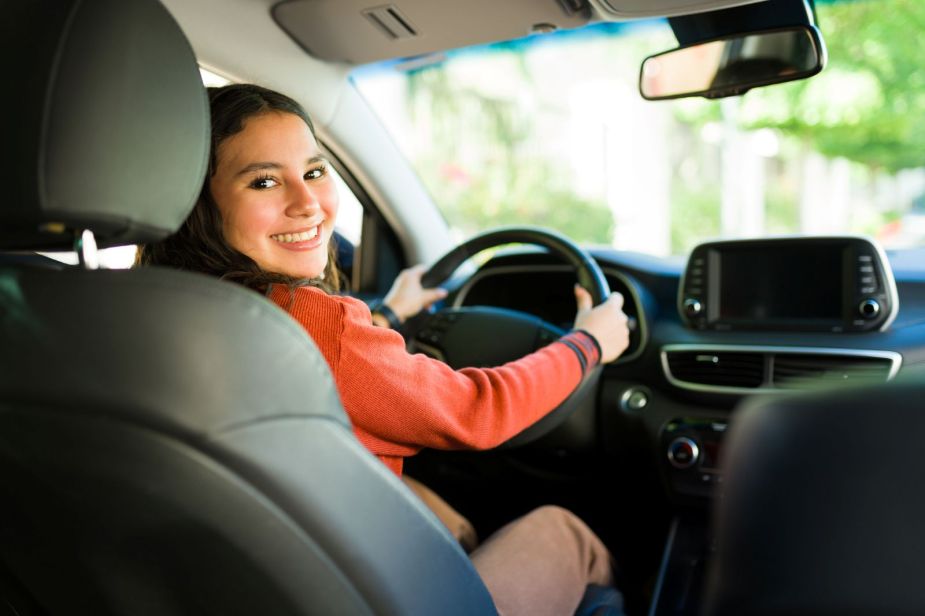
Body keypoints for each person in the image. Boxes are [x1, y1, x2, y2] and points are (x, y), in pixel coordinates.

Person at [138, 83, 630, 616]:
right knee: (568, 534)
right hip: (350, 588)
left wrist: (388, 316)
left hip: (261, 576)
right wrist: (588, 343)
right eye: (263, 181)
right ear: (199, 204)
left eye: (314, 171)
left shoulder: (158, 306)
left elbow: (328, 361)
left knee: (453, 525)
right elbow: (478, 408)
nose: (306, 203)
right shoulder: (317, 323)